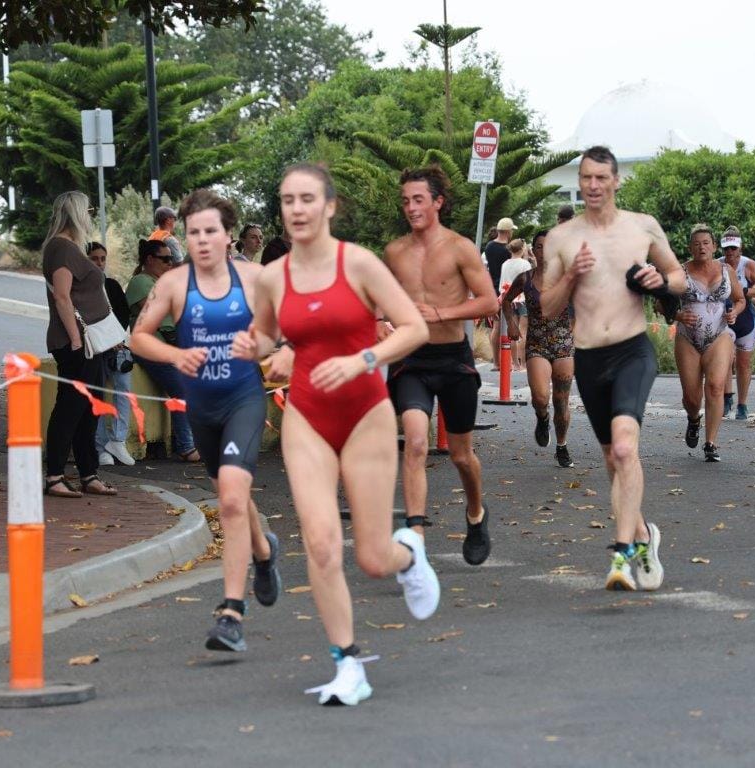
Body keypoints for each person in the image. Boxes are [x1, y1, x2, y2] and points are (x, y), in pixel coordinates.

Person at [233, 163, 437, 706]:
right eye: (287, 200)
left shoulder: (359, 263)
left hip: (366, 412)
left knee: (372, 558)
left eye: (307, 199)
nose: (297, 209)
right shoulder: (273, 276)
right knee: (321, 543)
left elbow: (414, 328)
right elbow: (265, 336)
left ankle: (408, 555)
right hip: (307, 416)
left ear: (328, 207)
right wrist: (256, 348)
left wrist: (363, 359)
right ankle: (347, 663)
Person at [132, 189, 281, 652]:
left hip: (243, 399)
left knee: (232, 499)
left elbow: (279, 332)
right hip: (201, 407)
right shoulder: (174, 284)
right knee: (231, 494)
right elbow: (139, 336)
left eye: (210, 231)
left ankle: (231, 613)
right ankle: (263, 551)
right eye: (193, 232)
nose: (201, 240)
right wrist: (176, 355)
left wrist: (262, 347)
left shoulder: (255, 278)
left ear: (228, 234)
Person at [542, 146, 686, 591]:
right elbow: (547, 308)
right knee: (612, 457)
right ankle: (642, 535)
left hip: (631, 351)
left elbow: (679, 277)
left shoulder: (642, 226)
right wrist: (571, 276)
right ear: (579, 181)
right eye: (586, 177)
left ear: (616, 181)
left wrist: (660, 281)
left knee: (625, 449)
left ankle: (621, 556)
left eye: (601, 178)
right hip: (589, 357)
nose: (593, 185)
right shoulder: (561, 238)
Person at [381, 165, 499, 566]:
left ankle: (476, 513)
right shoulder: (395, 252)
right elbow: (381, 298)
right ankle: (415, 537)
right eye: (405, 201)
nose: (411, 208)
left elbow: (489, 301)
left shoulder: (459, 248)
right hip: (411, 360)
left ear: (437, 202)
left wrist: (441, 312)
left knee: (462, 456)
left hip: (453, 361)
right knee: (416, 442)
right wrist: (379, 321)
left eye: (418, 200)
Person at [41, 192, 118, 498]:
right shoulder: (61, 248)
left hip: (88, 344)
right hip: (76, 343)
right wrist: (75, 338)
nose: (90, 214)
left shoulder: (70, 247)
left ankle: (89, 473)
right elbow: (62, 296)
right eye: (87, 209)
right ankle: (55, 476)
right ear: (75, 213)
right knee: (70, 409)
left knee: (89, 408)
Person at [502, 229, 576, 467]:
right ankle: (542, 418)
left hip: (564, 344)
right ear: (534, 251)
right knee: (541, 397)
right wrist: (512, 323)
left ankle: (562, 446)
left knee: (561, 401)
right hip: (537, 344)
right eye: (540, 247)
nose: (545, 251)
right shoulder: (525, 278)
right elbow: (505, 301)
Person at [673, 225, 745, 461]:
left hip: (719, 335)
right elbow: (661, 304)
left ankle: (711, 443)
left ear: (714, 246)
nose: (701, 247)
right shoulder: (680, 271)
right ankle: (694, 419)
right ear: (690, 248)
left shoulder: (726, 270)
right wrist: (678, 315)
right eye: (696, 244)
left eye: (706, 243)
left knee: (715, 387)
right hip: (687, 337)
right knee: (691, 398)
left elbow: (740, 299)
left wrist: (735, 312)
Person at [125, 239, 200, 462]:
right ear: (150, 259)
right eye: (165, 259)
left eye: (171, 259)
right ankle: (186, 446)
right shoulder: (140, 282)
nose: (170, 263)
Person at [85, 242, 135, 467]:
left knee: (123, 390)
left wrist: (115, 339)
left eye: (103, 258)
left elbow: (123, 313)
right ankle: (100, 446)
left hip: (117, 347)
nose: (99, 263)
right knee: (98, 396)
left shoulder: (111, 285)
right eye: (94, 258)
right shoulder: (81, 287)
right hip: (95, 348)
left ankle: (118, 440)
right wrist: (105, 340)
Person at [718, 226, 755, 420]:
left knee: (743, 364)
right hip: (723, 319)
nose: (730, 252)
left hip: (745, 319)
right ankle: (726, 398)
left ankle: (742, 404)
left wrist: (744, 291)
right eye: (726, 248)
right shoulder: (717, 265)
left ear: (740, 247)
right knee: (724, 359)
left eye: (733, 248)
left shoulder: (748, 265)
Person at [485, 217, 516, 368]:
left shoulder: (489, 246)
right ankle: (510, 361)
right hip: (507, 288)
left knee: (496, 326)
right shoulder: (508, 249)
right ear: (508, 231)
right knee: (511, 323)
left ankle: (496, 362)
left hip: (493, 288)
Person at [499, 238, 532, 370]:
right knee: (523, 332)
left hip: (509, 300)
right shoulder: (525, 264)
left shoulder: (505, 264)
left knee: (512, 331)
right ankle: (523, 363)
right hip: (523, 299)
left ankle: (515, 364)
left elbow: (502, 285)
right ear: (522, 249)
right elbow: (529, 282)